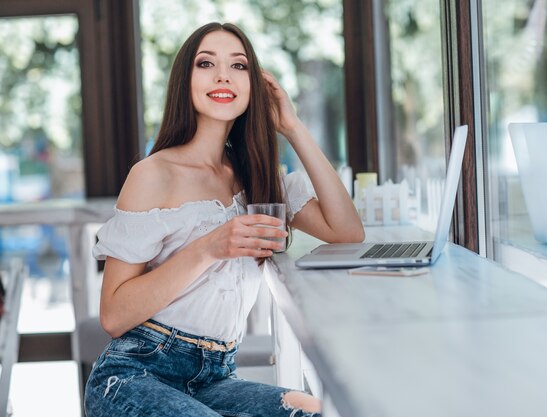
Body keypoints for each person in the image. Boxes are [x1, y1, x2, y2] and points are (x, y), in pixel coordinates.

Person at [84, 22, 364, 417]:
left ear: (255, 85)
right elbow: (113, 316)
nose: (222, 75)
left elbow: (347, 231)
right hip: (136, 373)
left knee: (323, 412)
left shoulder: (258, 177)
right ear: (185, 81)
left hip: (216, 378)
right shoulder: (154, 173)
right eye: (205, 63)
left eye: (238, 66)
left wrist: (292, 127)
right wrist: (209, 247)